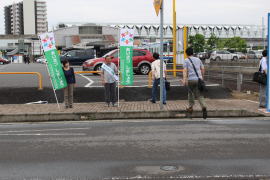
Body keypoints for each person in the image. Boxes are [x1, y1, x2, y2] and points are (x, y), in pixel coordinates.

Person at [183, 47, 207, 119]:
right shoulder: (198, 59)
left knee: (190, 94)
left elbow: (185, 71)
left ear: (186, 53)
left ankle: (190, 109)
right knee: (200, 95)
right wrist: (202, 78)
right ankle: (204, 106)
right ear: (193, 53)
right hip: (198, 80)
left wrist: (184, 80)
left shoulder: (186, 60)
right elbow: (202, 69)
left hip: (190, 80)